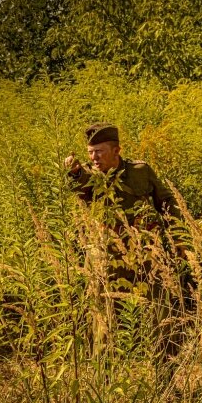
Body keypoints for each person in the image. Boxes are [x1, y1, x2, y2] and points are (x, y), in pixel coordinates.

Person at [65, 122, 184, 355]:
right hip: (106, 256)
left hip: (146, 252)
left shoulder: (140, 171)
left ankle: (167, 380)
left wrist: (179, 238)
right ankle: (106, 382)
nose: (94, 157)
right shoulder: (88, 175)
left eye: (99, 151)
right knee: (105, 321)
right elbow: (80, 185)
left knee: (164, 314)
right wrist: (75, 172)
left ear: (116, 151)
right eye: (90, 152)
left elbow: (167, 202)